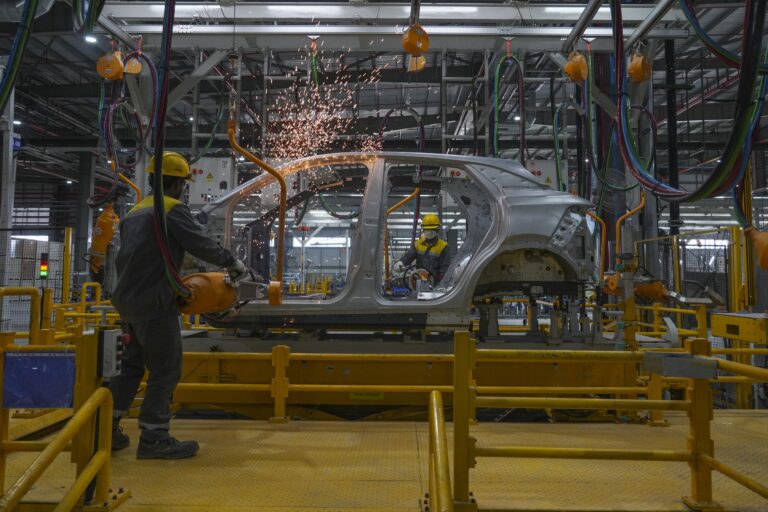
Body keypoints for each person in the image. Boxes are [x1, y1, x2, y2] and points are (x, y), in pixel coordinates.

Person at [109, 152, 246, 459]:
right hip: (154, 304)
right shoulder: (170, 209)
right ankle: (154, 437)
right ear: (177, 184)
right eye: (184, 184)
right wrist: (233, 262)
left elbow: (146, 258)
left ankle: (105, 428)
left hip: (127, 302)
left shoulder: (134, 212)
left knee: (130, 368)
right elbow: (200, 243)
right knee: (166, 369)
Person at [393, 214, 450, 283]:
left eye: (432, 229)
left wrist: (441, 284)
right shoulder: (418, 244)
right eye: (427, 229)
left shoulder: (443, 246)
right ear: (423, 229)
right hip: (418, 280)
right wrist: (401, 262)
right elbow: (409, 256)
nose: (429, 232)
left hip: (435, 283)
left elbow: (445, 269)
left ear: (437, 229)